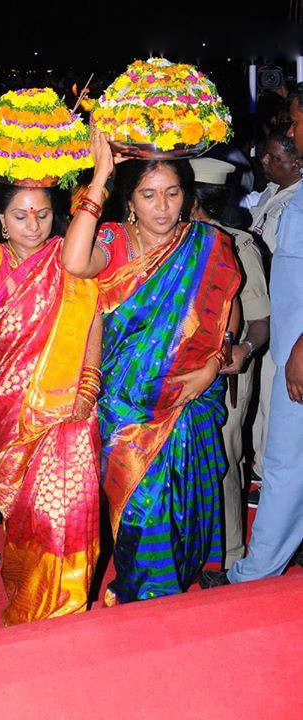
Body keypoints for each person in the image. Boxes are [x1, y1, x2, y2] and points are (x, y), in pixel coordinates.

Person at [61, 131, 241, 604]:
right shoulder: (114, 241)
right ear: (130, 201)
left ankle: (167, 594)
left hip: (188, 402)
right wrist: (101, 175)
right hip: (125, 409)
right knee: (140, 506)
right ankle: (142, 596)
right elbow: (74, 262)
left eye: (172, 193)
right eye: (148, 194)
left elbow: (230, 316)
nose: (161, 206)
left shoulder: (208, 243)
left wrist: (213, 365)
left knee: (186, 508)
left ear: (188, 198)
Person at [0, 148, 102, 626]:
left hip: (68, 406)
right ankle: (27, 591)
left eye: (41, 215)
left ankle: (64, 603)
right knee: (22, 510)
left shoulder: (68, 258)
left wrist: (89, 383)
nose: (33, 225)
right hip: (10, 406)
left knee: (67, 508)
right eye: (20, 215)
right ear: (1, 219)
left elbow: (92, 319)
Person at [199, 84, 303, 589]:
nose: (291, 134)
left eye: (297, 123)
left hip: (295, 354)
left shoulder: (234, 241)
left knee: (281, 462)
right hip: (290, 351)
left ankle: (252, 571)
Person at [189, 157, 270, 569]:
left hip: (228, 373)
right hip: (182, 373)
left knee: (223, 457)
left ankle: (228, 553)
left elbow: (259, 320)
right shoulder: (173, 243)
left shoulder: (239, 245)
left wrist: (245, 351)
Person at [244, 125, 303, 502]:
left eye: (274, 158)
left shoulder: (296, 200)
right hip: (266, 305)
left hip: (287, 316)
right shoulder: (270, 192)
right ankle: (261, 468)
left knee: (274, 395)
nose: (264, 162)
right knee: (263, 397)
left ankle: (269, 476)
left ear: (297, 164)